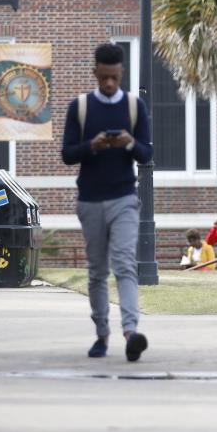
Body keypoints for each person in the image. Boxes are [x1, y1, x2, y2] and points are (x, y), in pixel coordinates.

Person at [61, 43, 153, 362]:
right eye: (104, 78)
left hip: (124, 197)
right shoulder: (81, 107)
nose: (109, 84)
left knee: (126, 264)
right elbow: (67, 154)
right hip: (90, 200)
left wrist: (129, 143)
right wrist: (93, 145)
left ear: (122, 73)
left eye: (114, 77)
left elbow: (147, 153)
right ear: (95, 72)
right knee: (97, 271)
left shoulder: (134, 106)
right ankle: (101, 334)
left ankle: (131, 332)